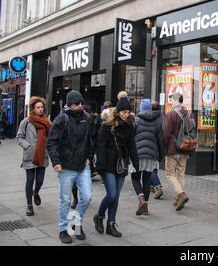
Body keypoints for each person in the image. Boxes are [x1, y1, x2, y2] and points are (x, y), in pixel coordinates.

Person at [46, 90, 94, 244]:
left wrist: (88, 157)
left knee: (86, 196)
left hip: (82, 165)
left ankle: (76, 222)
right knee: (65, 200)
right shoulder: (61, 119)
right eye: (76, 104)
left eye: (80, 103)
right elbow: (52, 142)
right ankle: (63, 229)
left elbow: (90, 140)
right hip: (66, 166)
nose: (79, 106)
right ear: (69, 104)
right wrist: (56, 162)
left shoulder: (86, 118)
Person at [93, 97, 139, 237]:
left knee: (116, 196)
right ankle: (99, 216)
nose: (126, 115)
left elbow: (132, 146)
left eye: (128, 112)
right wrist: (100, 164)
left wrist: (135, 163)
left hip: (121, 164)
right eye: (123, 112)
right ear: (118, 112)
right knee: (111, 194)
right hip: (108, 164)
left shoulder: (130, 126)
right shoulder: (107, 126)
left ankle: (111, 224)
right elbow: (100, 146)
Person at [16, 97, 52, 217]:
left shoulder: (47, 122)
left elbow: (51, 137)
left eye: (42, 107)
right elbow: (19, 137)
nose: (40, 109)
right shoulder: (26, 121)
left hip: (42, 155)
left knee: (40, 180)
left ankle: (36, 193)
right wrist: (28, 146)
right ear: (33, 108)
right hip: (30, 155)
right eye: (38, 107)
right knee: (30, 180)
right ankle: (29, 206)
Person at [132, 99, 165, 215]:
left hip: (137, 155)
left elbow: (131, 139)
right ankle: (145, 205)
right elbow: (161, 140)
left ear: (141, 108)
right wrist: (161, 155)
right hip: (151, 155)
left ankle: (141, 200)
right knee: (146, 180)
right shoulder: (156, 121)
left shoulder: (135, 120)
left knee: (135, 178)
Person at [162, 93, 195, 211]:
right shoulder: (190, 114)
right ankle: (178, 198)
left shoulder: (171, 114)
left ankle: (181, 194)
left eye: (171, 100)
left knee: (170, 173)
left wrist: (164, 148)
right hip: (185, 147)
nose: (170, 102)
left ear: (176, 100)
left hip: (173, 149)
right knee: (181, 174)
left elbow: (165, 133)